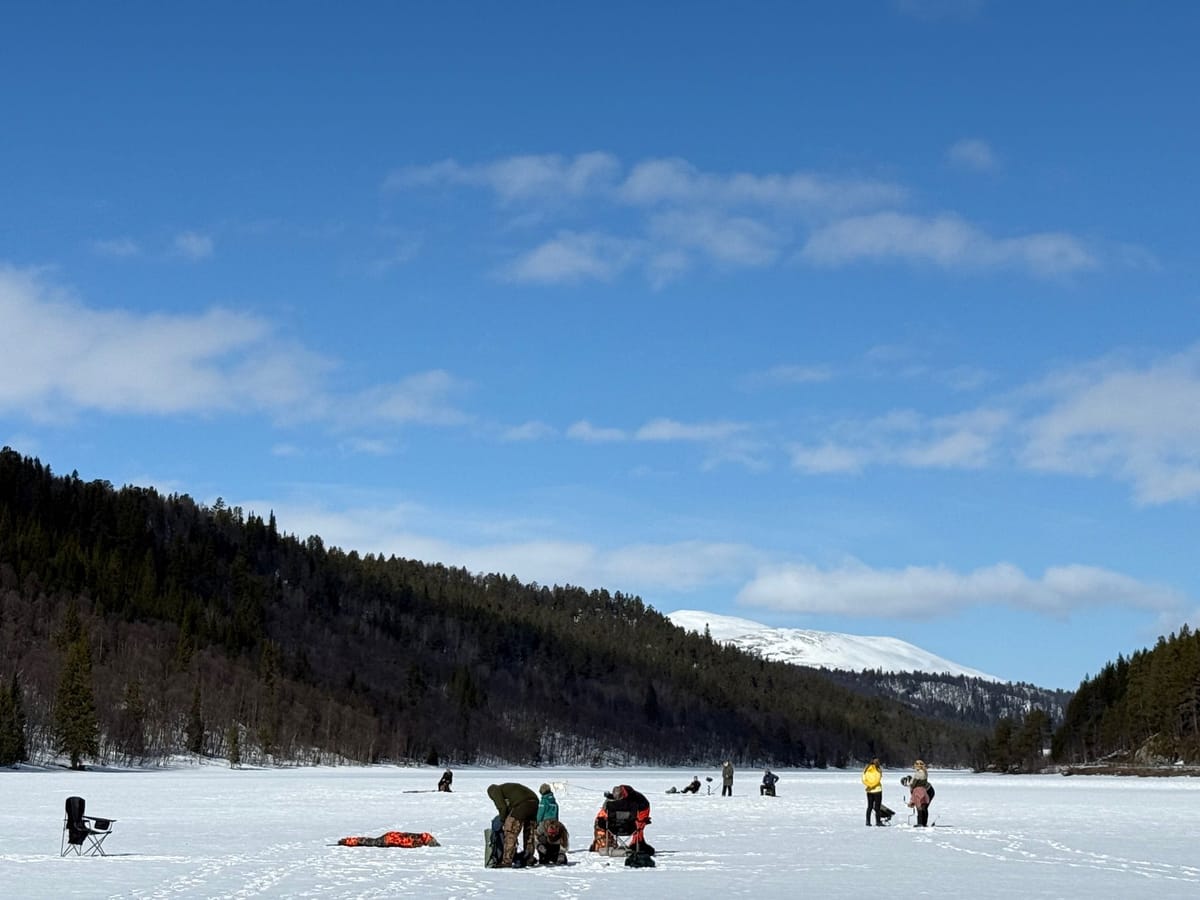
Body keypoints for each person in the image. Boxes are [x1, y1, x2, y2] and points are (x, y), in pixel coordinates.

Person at [487, 782, 539, 867]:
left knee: (510, 832)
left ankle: (506, 861)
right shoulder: (507, 789)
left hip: (521, 805)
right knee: (529, 834)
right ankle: (529, 858)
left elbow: (502, 807)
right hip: (534, 803)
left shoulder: (495, 790)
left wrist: (503, 820)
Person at [907, 759, 934, 827]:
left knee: (921, 807)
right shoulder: (923, 772)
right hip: (927, 791)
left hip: (925, 792)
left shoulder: (919, 773)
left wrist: (909, 783)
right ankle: (923, 823)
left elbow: (914, 785)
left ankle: (921, 823)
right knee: (923, 807)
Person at [861, 757, 884, 825]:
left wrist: (869, 785)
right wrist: (873, 785)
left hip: (869, 791)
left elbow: (863, 778)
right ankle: (878, 822)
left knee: (869, 807)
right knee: (877, 807)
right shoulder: (878, 769)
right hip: (877, 790)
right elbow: (878, 778)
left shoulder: (866, 769)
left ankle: (868, 822)